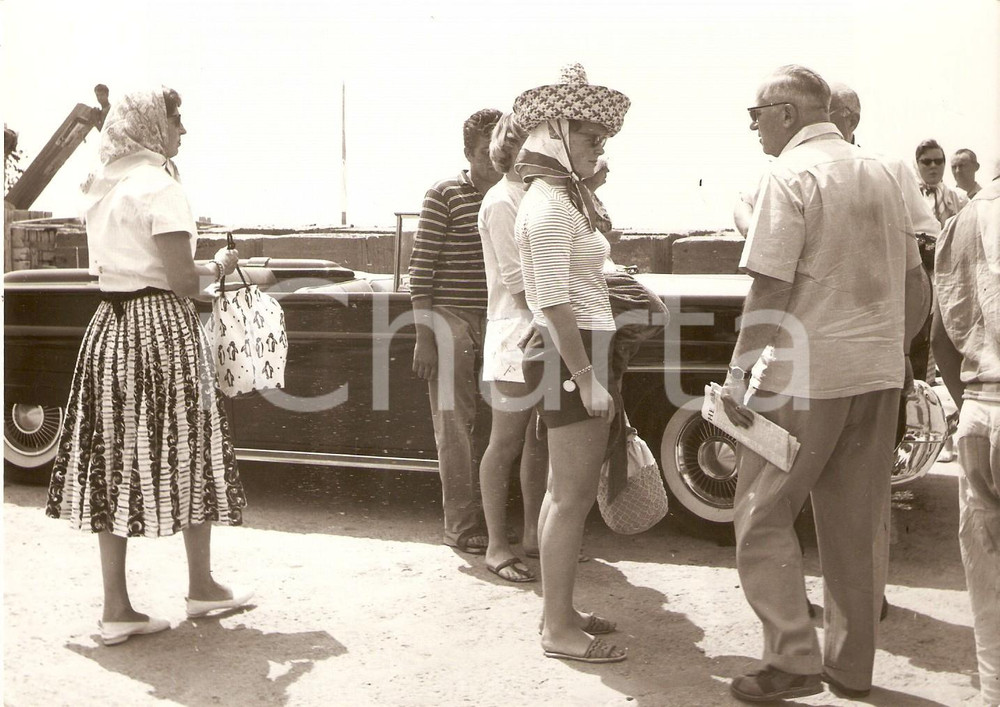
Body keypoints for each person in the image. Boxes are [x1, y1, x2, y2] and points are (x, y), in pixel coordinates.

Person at [721, 65, 928, 701]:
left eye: (756, 114)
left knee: (760, 514)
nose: (752, 126)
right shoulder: (888, 172)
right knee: (857, 524)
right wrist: (889, 351)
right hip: (877, 375)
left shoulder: (787, 175)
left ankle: (791, 660)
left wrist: (736, 373)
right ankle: (850, 668)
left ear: (786, 113)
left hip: (803, 378)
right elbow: (916, 283)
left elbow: (771, 285)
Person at [45, 86, 253, 646]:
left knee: (114, 456)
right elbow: (183, 282)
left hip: (110, 329)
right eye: (175, 121)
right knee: (192, 443)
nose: (182, 132)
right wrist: (222, 265)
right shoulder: (161, 187)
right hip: (161, 328)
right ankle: (202, 585)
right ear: (152, 126)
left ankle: (117, 607)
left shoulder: (100, 186)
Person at [513, 63, 630, 664]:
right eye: (590, 137)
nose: (600, 147)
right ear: (556, 133)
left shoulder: (559, 196)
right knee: (571, 495)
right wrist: (588, 380)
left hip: (575, 348)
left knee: (565, 491)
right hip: (573, 351)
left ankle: (559, 610)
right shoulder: (553, 204)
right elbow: (553, 301)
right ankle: (557, 629)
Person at [409, 108, 502, 555]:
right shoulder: (444, 194)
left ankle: (496, 521)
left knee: (499, 424)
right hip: (451, 319)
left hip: (499, 318)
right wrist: (425, 336)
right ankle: (461, 525)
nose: (496, 158)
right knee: (454, 427)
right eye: (486, 152)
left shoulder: (512, 195)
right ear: (468, 152)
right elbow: (420, 269)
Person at [931, 171, 1000, 707]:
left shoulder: (961, 221)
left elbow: (940, 339)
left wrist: (970, 404)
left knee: (986, 576)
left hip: (980, 411)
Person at [476, 113, 546, 582]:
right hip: (515, 330)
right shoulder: (502, 201)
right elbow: (516, 281)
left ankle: (536, 538)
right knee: (505, 441)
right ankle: (497, 545)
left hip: (544, 325)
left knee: (539, 440)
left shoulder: (536, 195)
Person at [916, 139, 969, 229]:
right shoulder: (910, 196)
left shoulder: (960, 198)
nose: (933, 166)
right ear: (917, 164)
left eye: (938, 161)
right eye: (926, 162)